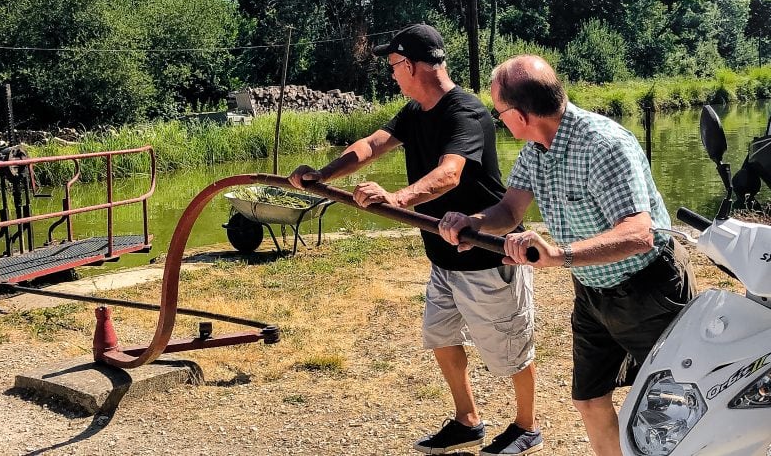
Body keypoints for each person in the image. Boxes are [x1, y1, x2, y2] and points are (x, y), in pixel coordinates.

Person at [288, 24, 542, 456]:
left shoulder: (466, 112)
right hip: (442, 253)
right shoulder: (415, 111)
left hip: (484, 250)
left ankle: (526, 427)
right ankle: (467, 421)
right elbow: (372, 143)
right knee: (440, 336)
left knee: (510, 347)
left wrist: (397, 197)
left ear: (415, 65)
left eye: (394, 66)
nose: (392, 75)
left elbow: (451, 172)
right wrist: (322, 174)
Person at [438, 55, 697, 456]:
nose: (498, 119)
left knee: (674, 409)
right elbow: (508, 212)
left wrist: (559, 254)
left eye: (499, 111)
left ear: (521, 114)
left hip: (649, 289)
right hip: (593, 292)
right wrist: (471, 223)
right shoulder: (535, 150)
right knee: (589, 400)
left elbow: (639, 234)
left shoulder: (603, 146)